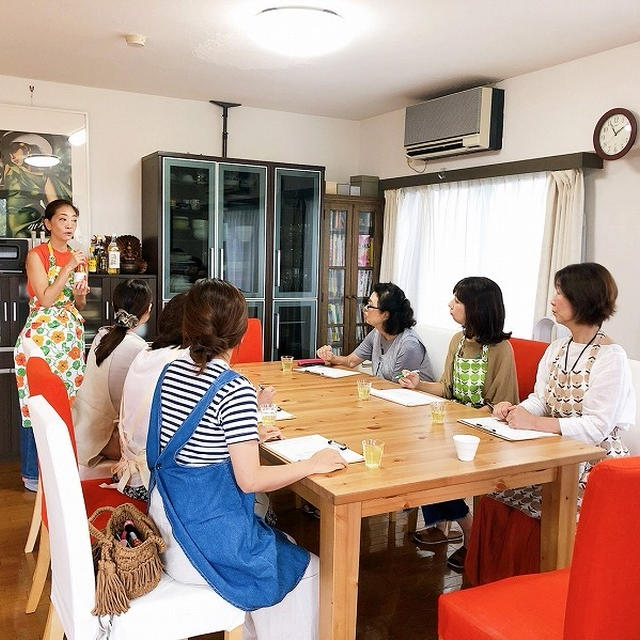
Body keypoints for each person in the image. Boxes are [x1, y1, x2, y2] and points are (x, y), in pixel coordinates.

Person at [146, 278, 346, 639]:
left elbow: (195, 438)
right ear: (241, 333)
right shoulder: (235, 387)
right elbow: (250, 481)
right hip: (204, 546)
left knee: (280, 544)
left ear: (189, 325)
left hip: (165, 526)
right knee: (310, 568)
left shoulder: (170, 371)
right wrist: (312, 463)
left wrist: (246, 435)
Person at [467, 263, 635, 585]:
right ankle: (494, 593)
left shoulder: (610, 356)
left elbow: (597, 427)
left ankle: (541, 592)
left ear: (583, 299)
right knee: (497, 495)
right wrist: (513, 410)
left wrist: (535, 424)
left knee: (540, 508)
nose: (553, 300)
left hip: (592, 461)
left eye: (560, 293)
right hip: (553, 449)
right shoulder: (557, 348)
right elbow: (540, 401)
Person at [399, 277, 518, 570]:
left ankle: (469, 530)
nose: (450, 305)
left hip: (486, 433)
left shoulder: (501, 350)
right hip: (456, 424)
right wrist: (418, 384)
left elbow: (502, 405)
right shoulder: (459, 340)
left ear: (476, 308)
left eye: (457, 301)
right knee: (421, 456)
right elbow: (446, 389)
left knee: (433, 460)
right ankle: (444, 525)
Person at [14, 199, 88, 491]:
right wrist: (68, 269)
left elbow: (77, 301)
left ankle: (58, 472)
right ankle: (33, 473)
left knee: (64, 404)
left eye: (73, 220)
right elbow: (45, 298)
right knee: (35, 404)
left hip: (69, 337)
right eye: (62, 219)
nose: (69, 226)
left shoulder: (77, 257)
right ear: (48, 224)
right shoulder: (37, 255)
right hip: (41, 337)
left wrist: (81, 293)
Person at [73, 279, 152, 468]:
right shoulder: (137, 348)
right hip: (101, 440)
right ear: (148, 309)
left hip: (80, 428)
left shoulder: (102, 335)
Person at [317, 282, 434, 382]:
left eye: (370, 306)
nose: (365, 309)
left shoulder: (409, 345)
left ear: (385, 314)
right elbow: (351, 361)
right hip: (386, 395)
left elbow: (397, 387)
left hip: (414, 401)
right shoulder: (376, 333)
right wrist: (332, 358)